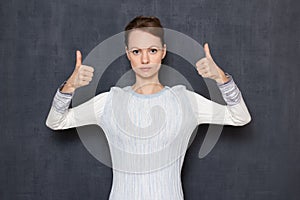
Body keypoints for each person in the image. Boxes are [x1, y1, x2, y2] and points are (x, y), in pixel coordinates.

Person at [46, 15, 251, 200]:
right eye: (137, 51)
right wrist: (69, 87)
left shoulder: (186, 101)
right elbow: (56, 121)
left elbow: (240, 117)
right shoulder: (109, 102)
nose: (144, 59)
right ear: (128, 54)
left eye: (152, 50)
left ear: (163, 52)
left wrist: (221, 78)